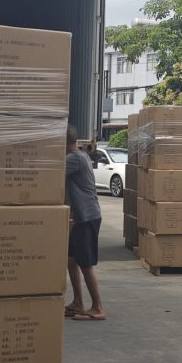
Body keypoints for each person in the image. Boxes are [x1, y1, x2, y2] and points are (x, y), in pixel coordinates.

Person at [64, 125, 106, 321]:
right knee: (71, 259)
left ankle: (97, 307)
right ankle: (78, 302)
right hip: (81, 216)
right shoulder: (80, 156)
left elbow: (49, 172)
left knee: (85, 263)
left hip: (88, 216)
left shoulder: (74, 158)